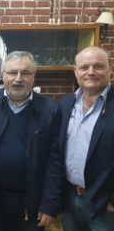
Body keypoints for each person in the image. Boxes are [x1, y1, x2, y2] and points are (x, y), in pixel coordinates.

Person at [0, 51, 63, 231]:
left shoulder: (50, 110)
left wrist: (49, 204)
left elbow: (54, 160)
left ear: (34, 77)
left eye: (25, 73)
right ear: (3, 75)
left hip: (31, 200)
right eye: (12, 72)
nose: (18, 79)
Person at [59, 46, 114, 231]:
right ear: (75, 71)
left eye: (98, 66)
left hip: (104, 205)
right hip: (68, 199)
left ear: (110, 69)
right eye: (84, 67)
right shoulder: (65, 105)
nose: (90, 72)